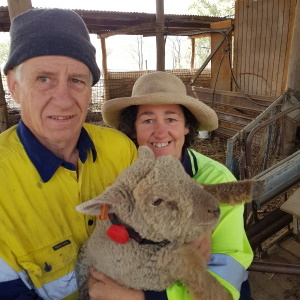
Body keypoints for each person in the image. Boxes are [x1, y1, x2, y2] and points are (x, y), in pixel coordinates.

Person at [0, 8, 138, 300]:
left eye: (77, 80)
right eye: (43, 79)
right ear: (14, 86)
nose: (63, 101)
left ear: (90, 89)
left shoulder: (121, 150)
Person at [91, 71, 254, 300]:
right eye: (148, 120)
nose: (160, 131)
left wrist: (142, 297)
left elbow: (224, 274)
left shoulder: (216, 180)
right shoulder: (121, 177)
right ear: (133, 129)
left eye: (171, 119)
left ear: (187, 126)